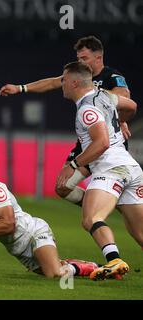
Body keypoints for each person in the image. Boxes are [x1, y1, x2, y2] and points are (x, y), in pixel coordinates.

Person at [0, 36, 131, 208]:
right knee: (62, 187)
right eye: (78, 59)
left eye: (84, 58)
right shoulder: (78, 76)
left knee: (71, 185)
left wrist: (121, 119)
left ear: (98, 58)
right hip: (84, 141)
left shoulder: (112, 77)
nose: (80, 62)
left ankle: (105, 208)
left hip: (105, 142)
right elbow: (53, 82)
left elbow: (124, 97)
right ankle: (106, 206)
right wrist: (20, 88)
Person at [57, 61, 142, 280]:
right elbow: (132, 106)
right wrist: (121, 121)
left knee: (91, 218)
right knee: (140, 233)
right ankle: (106, 200)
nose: (62, 84)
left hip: (110, 169)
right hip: (131, 168)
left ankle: (114, 260)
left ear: (75, 82)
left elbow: (101, 143)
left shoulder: (86, 109)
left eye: (64, 80)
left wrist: (73, 165)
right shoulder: (105, 96)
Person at [0, 160, 99, 279]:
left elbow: (9, 225)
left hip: (33, 233)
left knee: (54, 273)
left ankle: (91, 267)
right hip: (17, 250)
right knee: (54, 269)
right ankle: (95, 268)